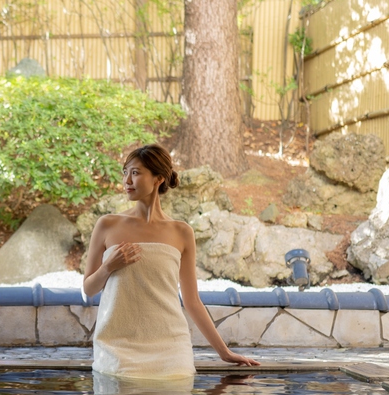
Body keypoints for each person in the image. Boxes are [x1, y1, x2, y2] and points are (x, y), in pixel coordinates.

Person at [82, 143, 260, 378]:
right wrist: (108, 267)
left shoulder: (181, 232)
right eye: (125, 172)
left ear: (158, 178)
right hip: (117, 347)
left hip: (171, 349)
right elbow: (89, 289)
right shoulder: (107, 225)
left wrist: (224, 352)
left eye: (135, 173)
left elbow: (192, 300)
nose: (127, 181)